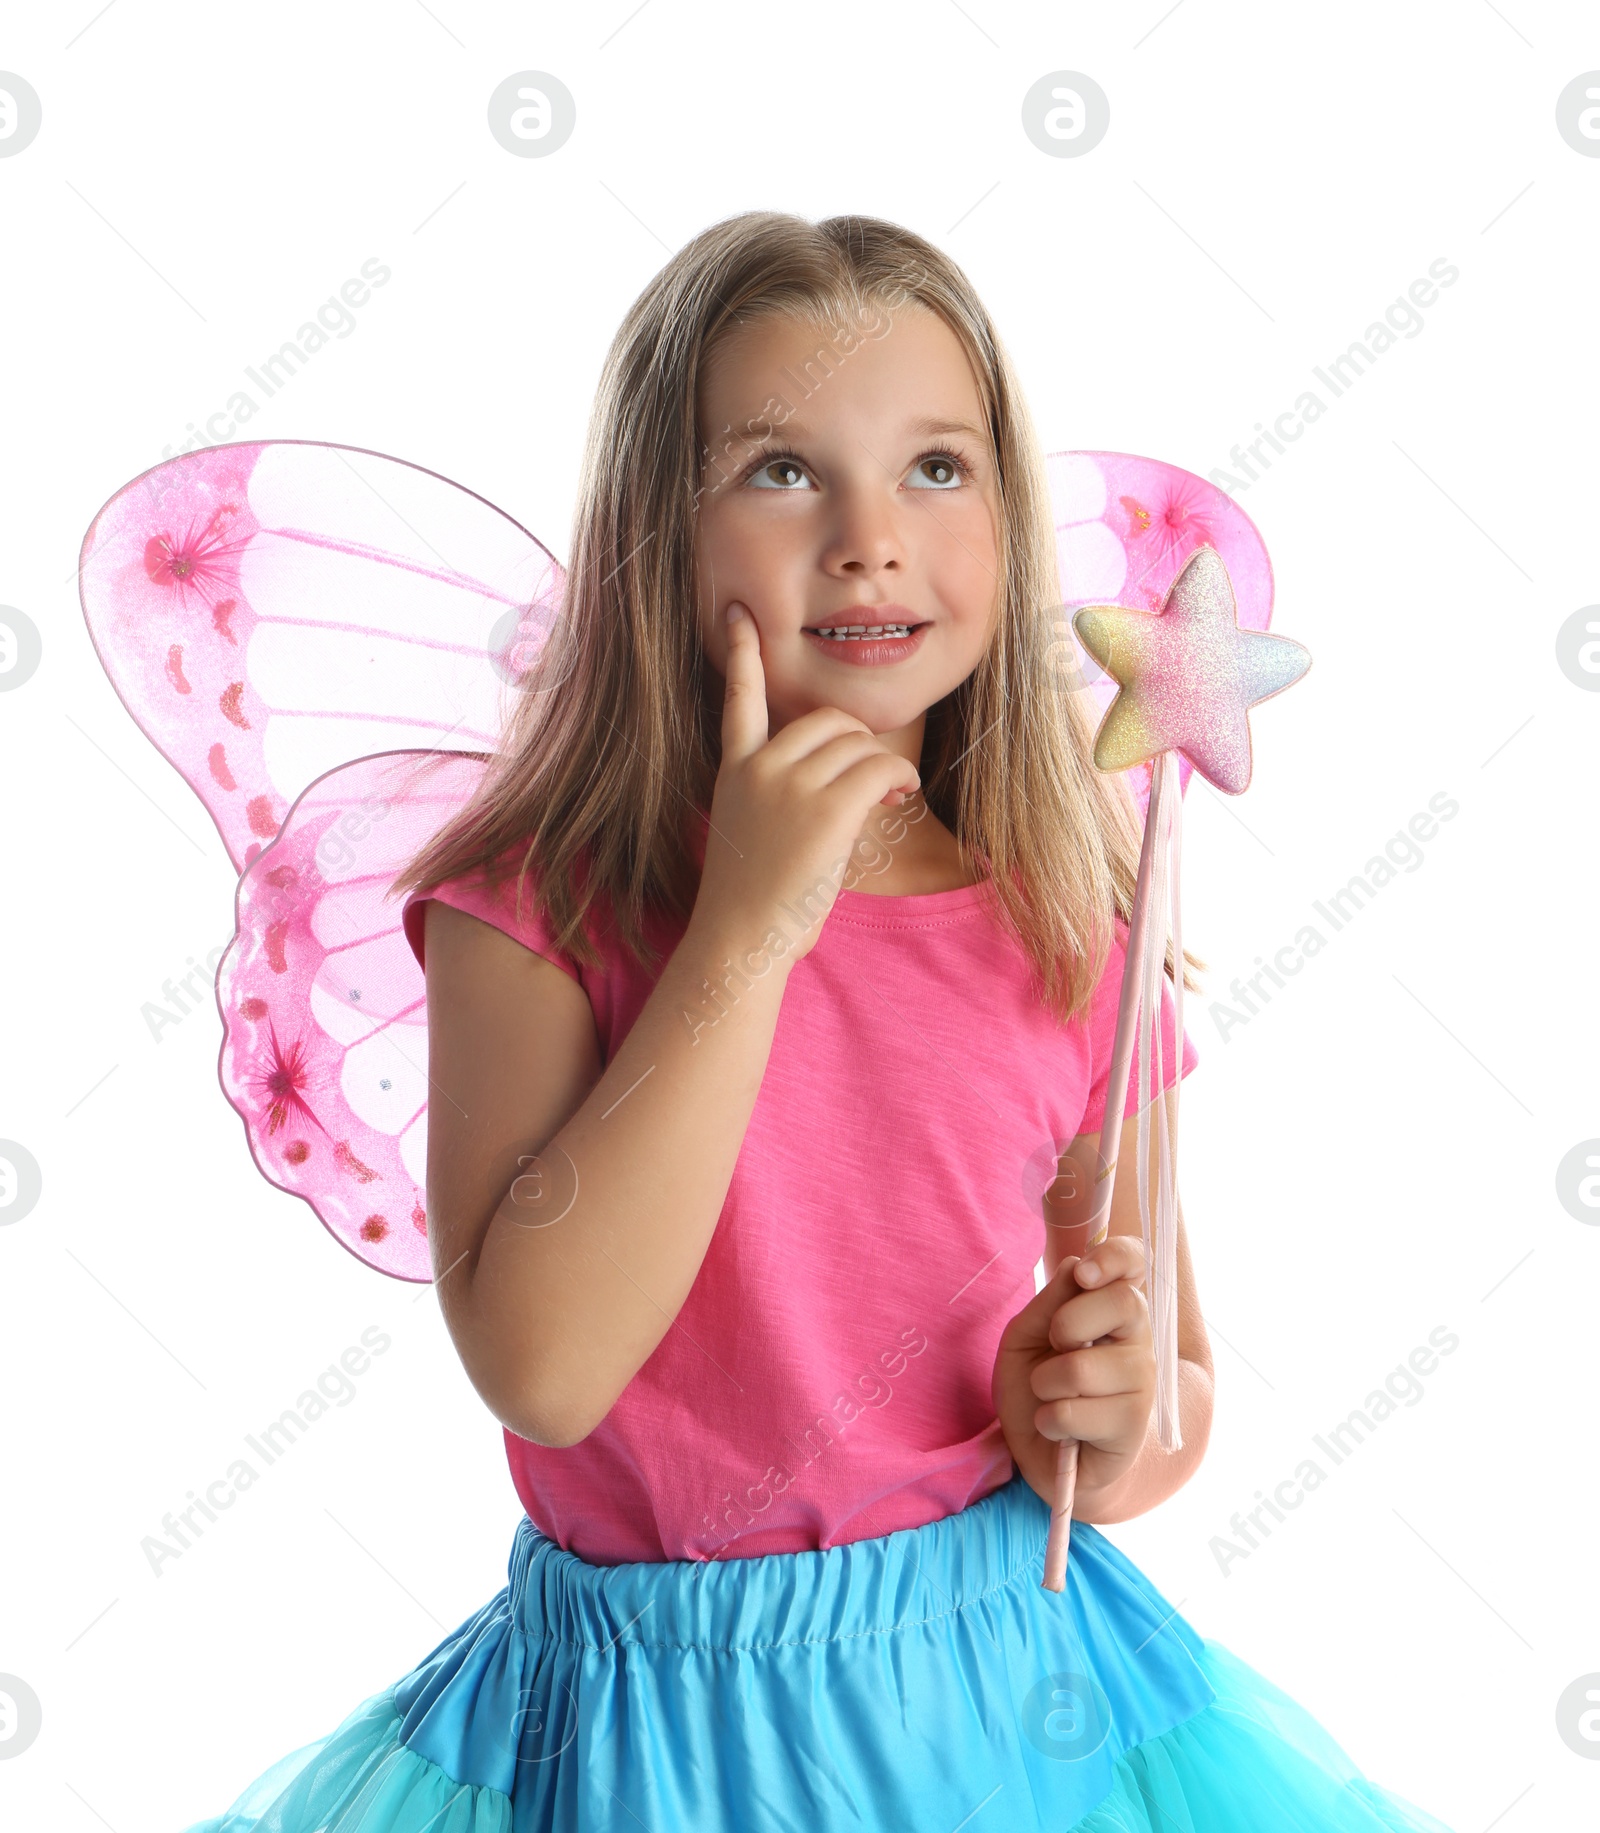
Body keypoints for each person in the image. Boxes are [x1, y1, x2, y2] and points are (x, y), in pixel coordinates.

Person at [180, 211, 1456, 1830]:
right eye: (784, 471)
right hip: (651, 1741)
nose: (870, 538)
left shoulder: (1070, 903)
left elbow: (1165, 1396)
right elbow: (546, 1367)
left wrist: (1111, 1415)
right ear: (661, 529)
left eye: (938, 468)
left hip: (1003, 1702)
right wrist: (749, 932)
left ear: (1007, 519)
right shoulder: (543, 899)